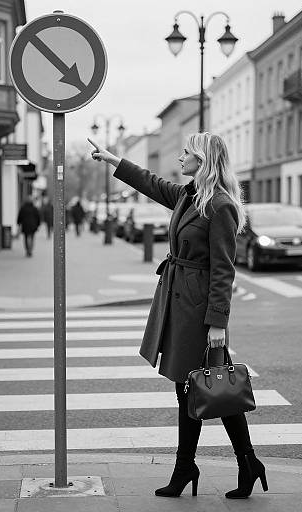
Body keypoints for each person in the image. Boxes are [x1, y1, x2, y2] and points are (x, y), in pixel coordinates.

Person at [88, 133, 268, 500]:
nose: (180, 157)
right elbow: (153, 184)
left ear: (202, 160)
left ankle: (197, 466)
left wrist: (218, 321)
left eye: (187, 152)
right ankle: (234, 464)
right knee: (205, 386)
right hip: (180, 303)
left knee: (206, 387)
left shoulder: (220, 206)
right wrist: (114, 161)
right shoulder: (190, 196)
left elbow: (224, 269)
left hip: (200, 311)